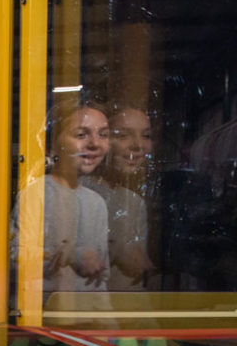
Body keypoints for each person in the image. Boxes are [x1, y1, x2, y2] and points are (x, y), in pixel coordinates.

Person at [14, 100, 111, 294]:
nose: (94, 143)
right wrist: (70, 254)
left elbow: (102, 276)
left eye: (103, 134)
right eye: (81, 135)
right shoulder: (37, 194)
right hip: (44, 315)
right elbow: (15, 257)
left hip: (89, 317)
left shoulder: (96, 202)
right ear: (53, 145)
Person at [82, 105, 155, 290]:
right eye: (123, 135)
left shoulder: (134, 201)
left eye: (146, 135)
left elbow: (137, 270)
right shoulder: (78, 193)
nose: (137, 145)